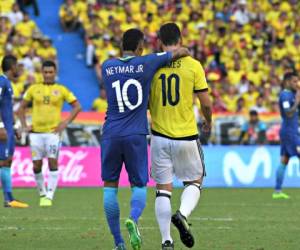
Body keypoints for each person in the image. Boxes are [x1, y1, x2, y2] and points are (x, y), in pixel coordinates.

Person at [101, 28, 189, 250]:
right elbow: (179, 52)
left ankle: (118, 242)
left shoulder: (107, 67)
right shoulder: (147, 62)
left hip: (110, 133)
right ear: (140, 47)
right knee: (139, 185)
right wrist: (183, 49)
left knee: (109, 187)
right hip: (136, 134)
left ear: (122, 46)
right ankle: (133, 218)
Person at [149, 23, 212, 250]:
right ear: (181, 39)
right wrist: (209, 120)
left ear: (159, 41)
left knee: (162, 189)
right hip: (186, 136)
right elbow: (205, 102)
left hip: (159, 136)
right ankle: (182, 214)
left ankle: (166, 241)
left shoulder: (152, 65)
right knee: (195, 181)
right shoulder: (193, 65)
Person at [18, 60, 81, 207]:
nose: (47, 75)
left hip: (53, 133)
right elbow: (20, 108)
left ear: (55, 73)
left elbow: (77, 107)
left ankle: (49, 196)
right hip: (35, 133)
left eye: (50, 72)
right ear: (42, 73)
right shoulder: (33, 89)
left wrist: (65, 123)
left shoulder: (62, 89)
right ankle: (42, 193)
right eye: (45, 72)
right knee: (36, 165)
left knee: (53, 161)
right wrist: (24, 126)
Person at [0, 55, 28, 208]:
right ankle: (9, 199)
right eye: (17, 66)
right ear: (12, 67)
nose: (19, 69)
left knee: (7, 162)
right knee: (3, 161)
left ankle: (9, 199)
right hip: (2, 129)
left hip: (9, 128)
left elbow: (7, 109)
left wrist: (15, 126)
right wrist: (0, 126)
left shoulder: (8, 83)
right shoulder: (1, 81)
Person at [273, 72, 300, 199]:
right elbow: (289, 113)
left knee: (284, 160)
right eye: (294, 81)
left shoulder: (293, 94)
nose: (297, 84)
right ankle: (277, 191)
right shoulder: (285, 95)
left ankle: (277, 192)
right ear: (288, 82)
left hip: (290, 131)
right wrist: (297, 102)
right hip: (290, 133)